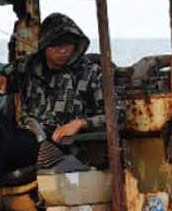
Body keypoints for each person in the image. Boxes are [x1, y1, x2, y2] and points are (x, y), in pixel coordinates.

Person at [9, 11, 103, 171]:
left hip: (72, 151)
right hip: (30, 145)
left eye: (68, 44)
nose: (63, 51)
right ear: (44, 45)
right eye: (56, 45)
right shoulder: (27, 68)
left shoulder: (91, 73)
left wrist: (81, 123)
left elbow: (119, 114)